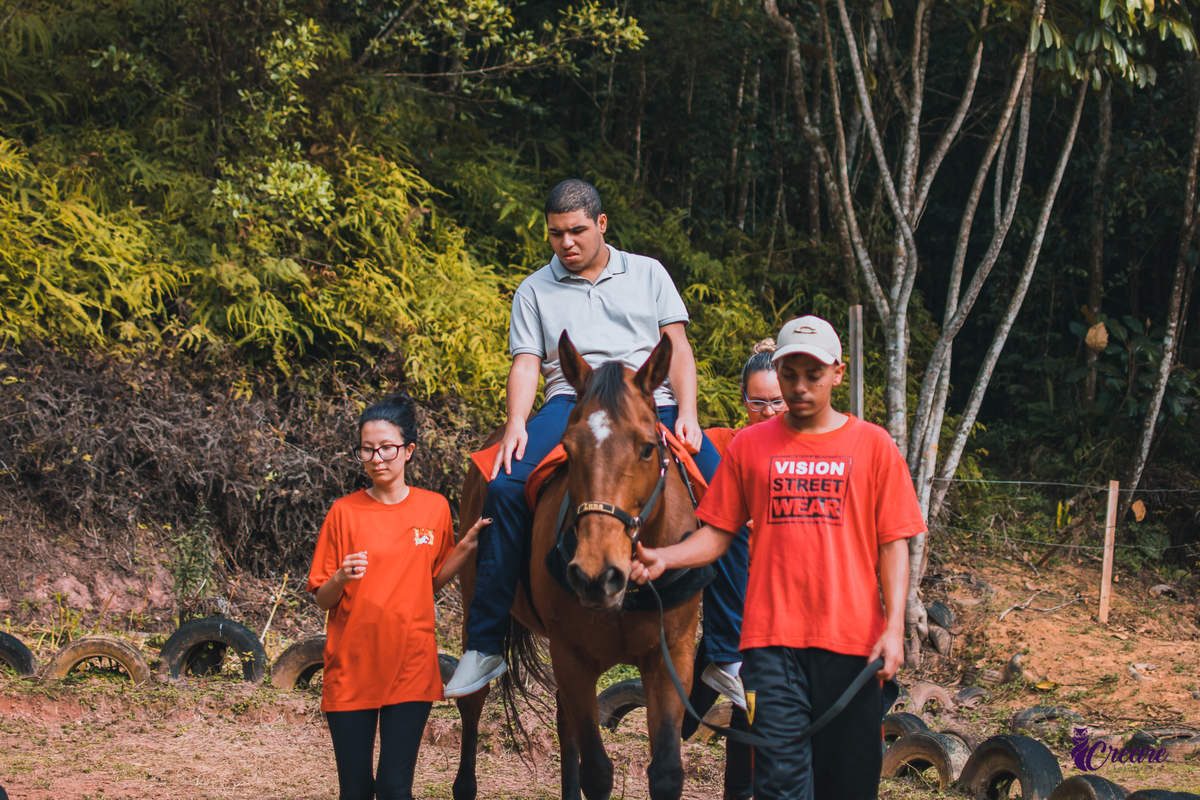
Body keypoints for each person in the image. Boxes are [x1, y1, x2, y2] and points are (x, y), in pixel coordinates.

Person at [444, 178, 723, 697]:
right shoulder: (533, 289)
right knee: (504, 486)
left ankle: (728, 651)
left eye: (576, 231)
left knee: (730, 494)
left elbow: (677, 347)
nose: (565, 244)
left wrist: (688, 412)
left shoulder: (647, 273)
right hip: (572, 402)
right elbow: (527, 363)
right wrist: (516, 424)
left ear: (601, 224)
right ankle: (483, 645)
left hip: (647, 401)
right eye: (555, 235)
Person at [630, 315, 926, 800]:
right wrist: (667, 556)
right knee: (780, 787)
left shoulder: (873, 445)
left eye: (812, 374)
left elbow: (894, 542)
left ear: (837, 372)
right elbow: (719, 533)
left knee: (847, 787)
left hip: (854, 646)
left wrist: (894, 629)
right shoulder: (749, 446)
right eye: (790, 374)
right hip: (771, 646)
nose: (799, 386)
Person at [307, 393, 491, 800]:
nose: (377, 458)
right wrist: (340, 575)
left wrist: (466, 546)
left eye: (387, 448)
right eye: (367, 449)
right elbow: (322, 597)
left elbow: (429, 581)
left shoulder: (434, 508)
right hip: (352, 667)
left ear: (408, 451)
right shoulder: (344, 512)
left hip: (411, 666)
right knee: (354, 791)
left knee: (395, 789)